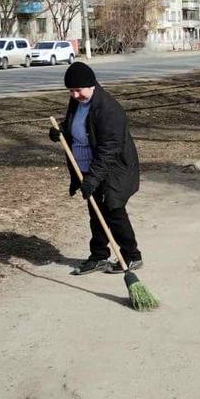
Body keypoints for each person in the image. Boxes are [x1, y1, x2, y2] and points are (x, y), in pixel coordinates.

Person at [48, 62, 143, 276]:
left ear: (91, 85)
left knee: (113, 210)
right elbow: (77, 125)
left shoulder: (109, 109)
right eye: (70, 91)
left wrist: (92, 178)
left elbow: (109, 149)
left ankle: (132, 256)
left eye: (77, 90)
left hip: (113, 169)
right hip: (89, 168)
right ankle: (99, 256)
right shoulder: (78, 102)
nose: (74, 95)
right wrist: (60, 131)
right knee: (96, 212)